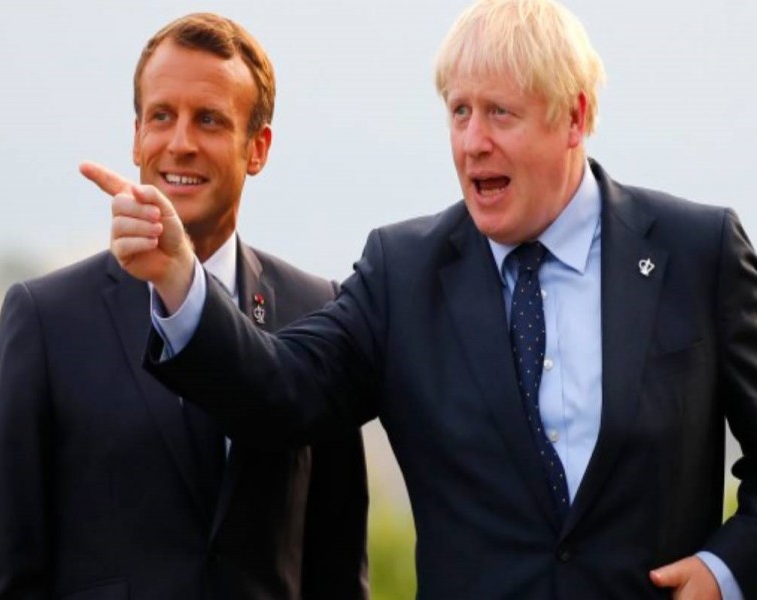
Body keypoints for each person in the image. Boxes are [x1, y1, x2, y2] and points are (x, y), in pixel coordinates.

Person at [106, 0, 757, 598]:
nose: (473, 141)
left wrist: (726, 570)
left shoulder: (697, 253)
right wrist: (179, 280)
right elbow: (280, 390)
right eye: (459, 112)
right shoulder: (403, 273)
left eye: (500, 112)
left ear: (575, 118)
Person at [0, 13, 369, 599]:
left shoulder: (317, 310)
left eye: (208, 120)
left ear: (256, 148)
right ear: (136, 137)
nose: (180, 143)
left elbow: (338, 570)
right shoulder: (43, 319)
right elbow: (4, 575)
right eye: (162, 116)